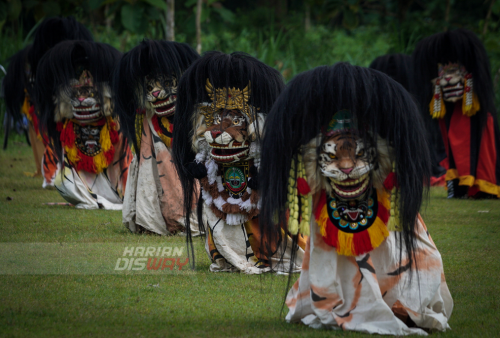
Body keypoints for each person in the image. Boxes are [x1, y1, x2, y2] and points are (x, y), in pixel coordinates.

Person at [259, 63, 453, 334]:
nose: (347, 166)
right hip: (328, 205)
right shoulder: (315, 160)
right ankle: (337, 299)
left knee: (400, 253)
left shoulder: (383, 161)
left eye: (358, 155)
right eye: (334, 156)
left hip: (381, 203)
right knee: (329, 264)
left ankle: (398, 299)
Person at [173, 52, 304, 273]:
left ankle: (266, 253)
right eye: (215, 118)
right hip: (221, 188)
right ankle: (227, 254)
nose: (218, 128)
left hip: (255, 189)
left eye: (233, 119)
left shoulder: (261, 141)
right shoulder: (208, 142)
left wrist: (266, 176)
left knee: (265, 223)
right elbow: (202, 154)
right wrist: (197, 168)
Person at [113, 40, 201, 235]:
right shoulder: (146, 122)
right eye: (150, 87)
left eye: (168, 83)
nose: (157, 93)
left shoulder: (199, 118)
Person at [36, 40, 132, 210]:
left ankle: (109, 198)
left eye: (90, 93)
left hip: (111, 157)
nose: (81, 100)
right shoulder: (67, 125)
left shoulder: (115, 124)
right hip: (77, 154)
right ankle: (90, 195)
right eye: (76, 93)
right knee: (63, 181)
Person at [4, 17, 93, 184]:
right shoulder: (37, 59)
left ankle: (60, 171)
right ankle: (50, 171)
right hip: (44, 104)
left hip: (65, 104)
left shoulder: (72, 56)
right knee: (45, 131)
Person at [412, 29, 500, 198]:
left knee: (481, 148)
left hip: (471, 111)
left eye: (453, 72)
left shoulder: (482, 110)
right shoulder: (445, 112)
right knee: (453, 148)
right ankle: (458, 186)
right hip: (452, 114)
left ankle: (482, 187)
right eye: (444, 72)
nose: (447, 78)